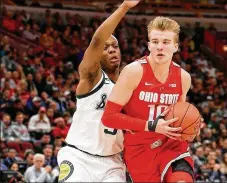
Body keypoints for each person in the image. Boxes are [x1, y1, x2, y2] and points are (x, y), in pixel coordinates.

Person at [102, 16, 201, 182]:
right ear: (149, 45)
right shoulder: (133, 72)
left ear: (175, 46)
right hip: (140, 150)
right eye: (155, 41)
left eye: (166, 42)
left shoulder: (183, 77)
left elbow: (180, 115)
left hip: (172, 147)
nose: (160, 47)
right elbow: (109, 117)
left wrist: (193, 124)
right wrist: (152, 126)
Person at [57, 1, 140, 182]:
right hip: (79, 157)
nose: (111, 50)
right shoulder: (92, 78)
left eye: (115, 47)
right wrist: (124, 7)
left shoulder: (131, 88)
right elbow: (96, 40)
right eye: (105, 47)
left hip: (113, 163)